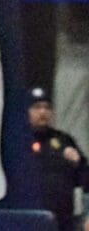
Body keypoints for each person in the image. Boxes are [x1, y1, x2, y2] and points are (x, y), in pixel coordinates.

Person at [29, 86, 88, 230]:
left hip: (63, 221)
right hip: (27, 218)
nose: (43, 112)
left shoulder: (63, 140)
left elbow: (85, 178)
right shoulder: (16, 141)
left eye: (47, 107)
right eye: (37, 107)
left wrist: (77, 162)